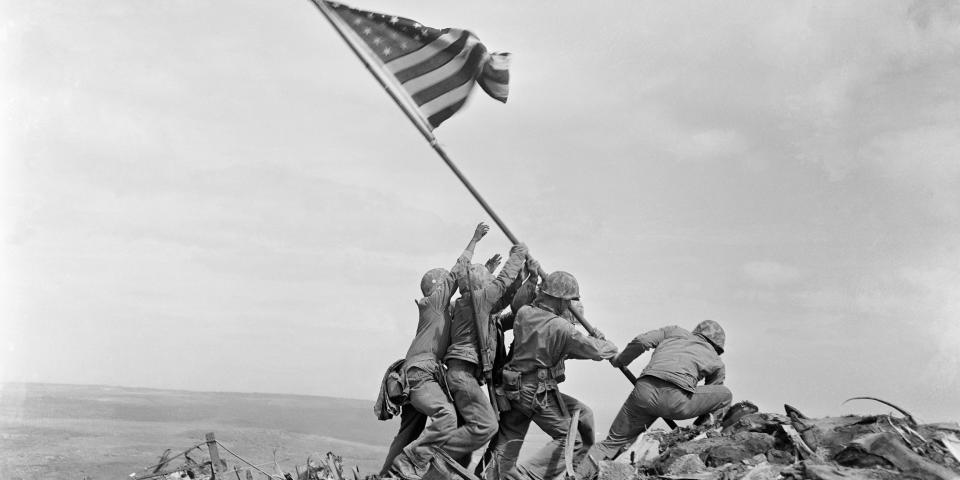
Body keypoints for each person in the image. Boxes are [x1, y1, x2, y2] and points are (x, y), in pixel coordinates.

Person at [487, 271, 619, 480]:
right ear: (559, 299)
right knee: (571, 439)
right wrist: (607, 344)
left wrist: (592, 344)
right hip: (537, 391)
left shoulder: (525, 314)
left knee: (511, 435)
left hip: (514, 387)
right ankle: (526, 476)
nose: (569, 306)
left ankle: (493, 475)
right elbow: (594, 350)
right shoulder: (561, 327)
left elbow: (570, 350)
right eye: (568, 301)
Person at [386, 223, 490, 480]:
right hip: (421, 373)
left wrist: (486, 273)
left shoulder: (441, 311)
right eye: (445, 285)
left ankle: (386, 475)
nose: (450, 287)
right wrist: (474, 240)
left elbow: (470, 297)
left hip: (418, 374)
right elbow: (457, 272)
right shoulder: (434, 303)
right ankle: (411, 462)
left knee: (409, 431)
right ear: (437, 287)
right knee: (446, 415)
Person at [589, 320, 732, 463]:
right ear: (717, 346)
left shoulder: (674, 332)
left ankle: (576, 475)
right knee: (725, 395)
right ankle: (700, 436)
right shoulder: (716, 361)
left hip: (644, 392)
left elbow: (642, 341)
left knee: (610, 444)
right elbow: (712, 398)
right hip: (676, 401)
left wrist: (620, 360)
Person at [441, 241, 529, 464]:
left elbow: (504, 297)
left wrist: (522, 278)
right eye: (488, 282)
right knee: (487, 425)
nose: (492, 285)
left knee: (467, 439)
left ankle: (445, 468)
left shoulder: (471, 303)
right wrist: (518, 254)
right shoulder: (477, 300)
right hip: (463, 374)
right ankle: (436, 457)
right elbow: (502, 283)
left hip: (463, 374)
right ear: (481, 285)